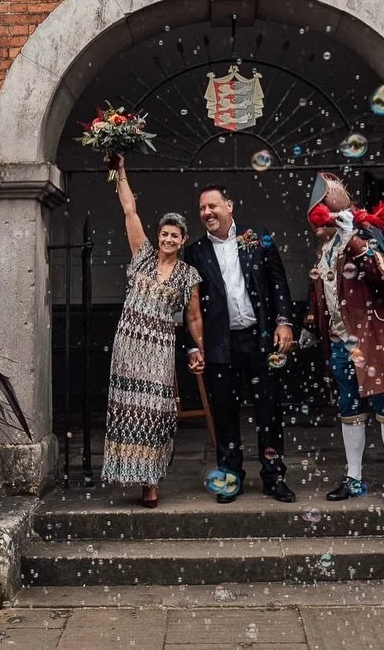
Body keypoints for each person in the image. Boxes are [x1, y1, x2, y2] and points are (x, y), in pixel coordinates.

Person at [302, 173, 384, 506]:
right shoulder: (324, 250)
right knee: (349, 408)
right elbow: (323, 292)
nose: (317, 226)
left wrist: (351, 237)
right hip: (342, 343)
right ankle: (353, 478)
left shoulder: (366, 235)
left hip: (375, 340)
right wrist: (311, 326)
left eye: (321, 217)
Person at [100, 154, 204, 507]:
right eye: (164, 233)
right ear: (157, 236)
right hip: (128, 345)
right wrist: (120, 171)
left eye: (175, 235)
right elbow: (129, 210)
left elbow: (193, 318)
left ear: (183, 240)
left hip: (160, 348)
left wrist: (199, 349)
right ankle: (127, 473)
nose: (168, 239)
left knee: (156, 413)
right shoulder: (142, 256)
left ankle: (151, 481)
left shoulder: (188, 275)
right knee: (127, 408)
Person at [183, 184, 297, 503]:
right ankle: (230, 477)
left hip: (260, 338)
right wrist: (193, 346)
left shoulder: (256, 237)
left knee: (269, 410)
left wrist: (284, 322)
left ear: (229, 206)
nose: (207, 212)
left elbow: (278, 282)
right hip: (220, 343)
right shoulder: (195, 252)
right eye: (202, 208)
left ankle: (274, 477)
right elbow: (190, 306)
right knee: (224, 414)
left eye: (213, 205)